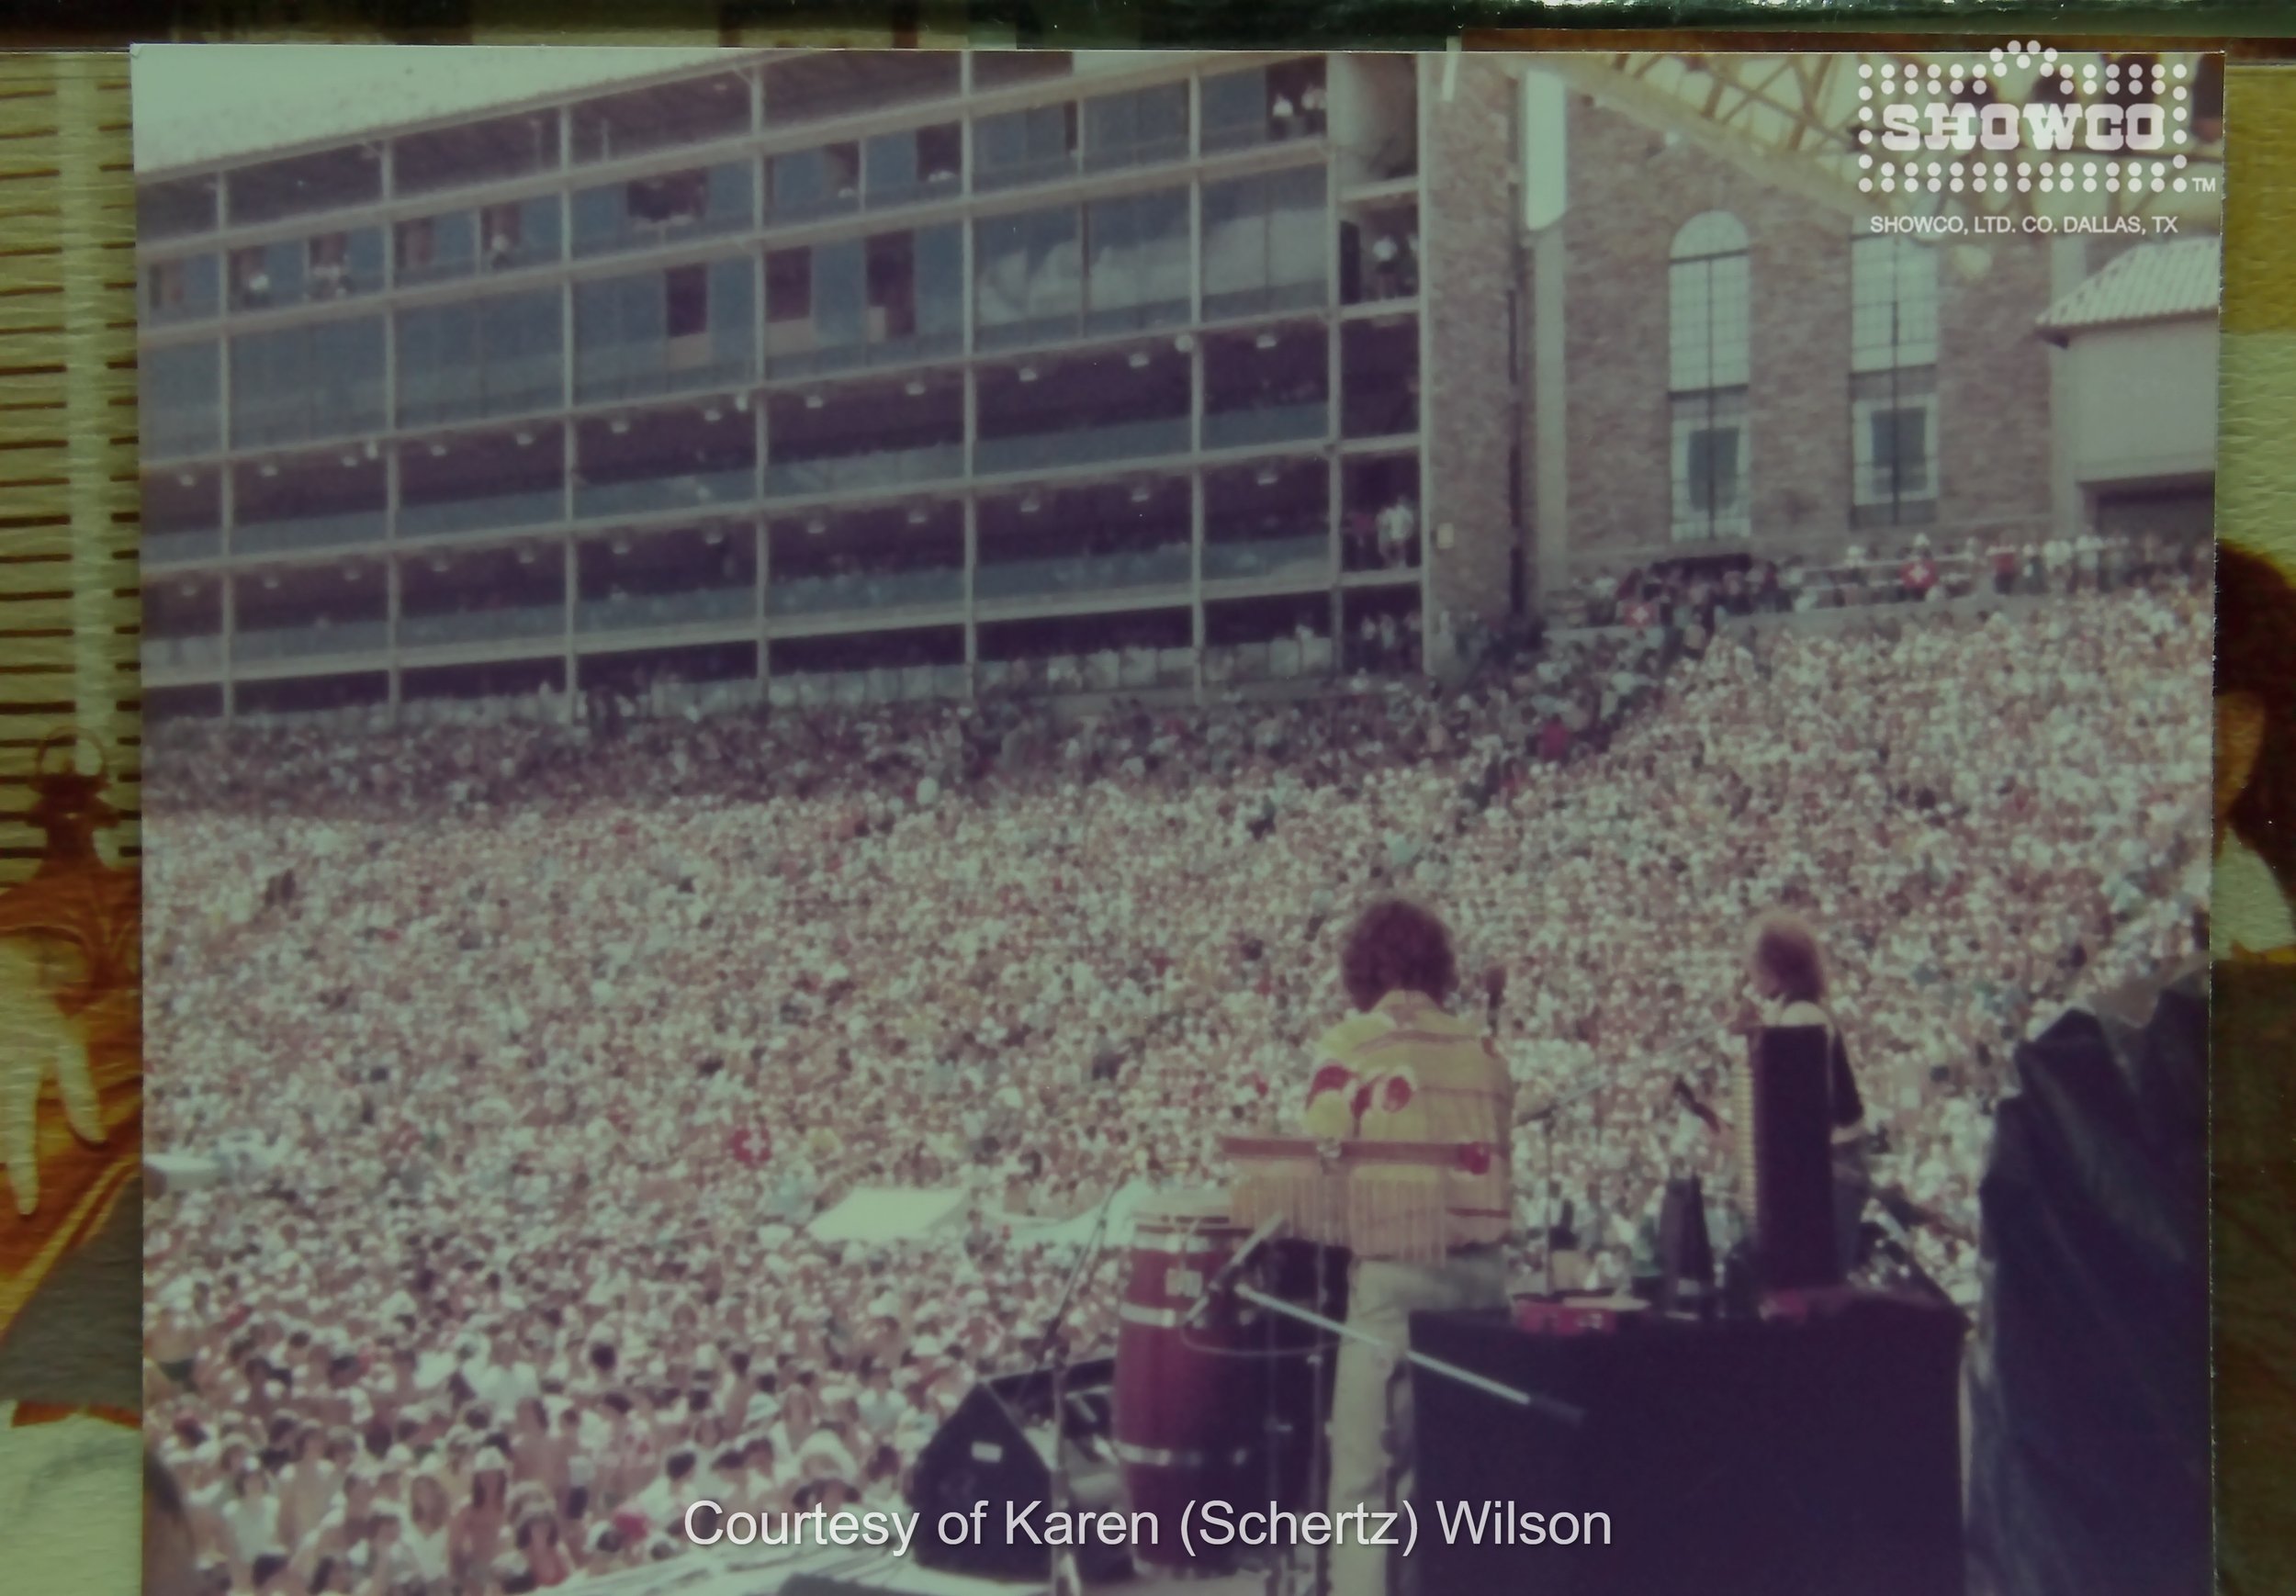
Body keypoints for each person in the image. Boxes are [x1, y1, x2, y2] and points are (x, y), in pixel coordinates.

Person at [1306, 898, 1513, 1596]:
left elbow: (1322, 1144)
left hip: (1397, 1284)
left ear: (1361, 969)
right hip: (1485, 1286)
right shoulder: (1483, 1053)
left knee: (1366, 1488)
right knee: (1450, 1485)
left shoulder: (1352, 1044)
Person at [1734, 910, 1869, 1275]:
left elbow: (1801, 1108)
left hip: (1834, 1170)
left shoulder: (1802, 1018)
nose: (1747, 971)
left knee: (1818, 1281)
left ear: (1773, 966)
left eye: (1753, 962)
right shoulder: (1786, 1015)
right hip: (1825, 1167)